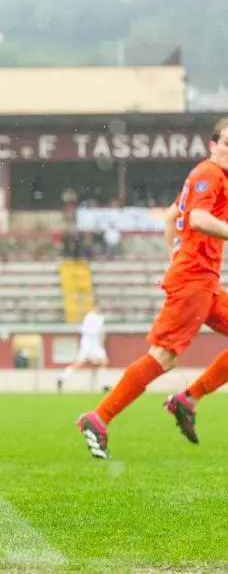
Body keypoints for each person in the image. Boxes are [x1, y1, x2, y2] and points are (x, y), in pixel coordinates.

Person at [77, 117, 228, 459]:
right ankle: (99, 418)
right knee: (164, 357)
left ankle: (187, 399)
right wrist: (182, 261)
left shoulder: (211, 176)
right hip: (194, 281)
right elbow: (197, 219)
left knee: (165, 358)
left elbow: (171, 215)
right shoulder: (210, 174)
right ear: (213, 145)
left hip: (202, 280)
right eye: (227, 143)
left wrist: (176, 254)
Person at [58, 304, 107, 392]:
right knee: (78, 364)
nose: (98, 308)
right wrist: (92, 357)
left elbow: (101, 332)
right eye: (96, 306)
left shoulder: (100, 318)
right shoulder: (90, 317)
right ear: (93, 307)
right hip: (88, 343)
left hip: (95, 344)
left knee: (104, 362)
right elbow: (94, 331)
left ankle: (104, 385)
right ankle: (62, 377)